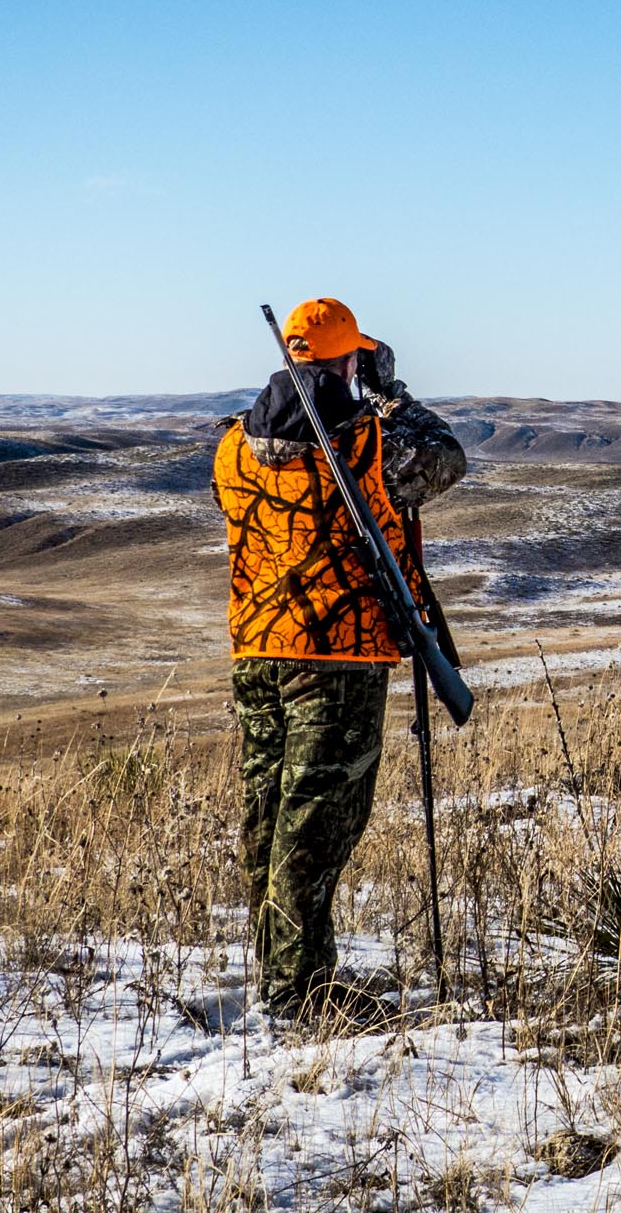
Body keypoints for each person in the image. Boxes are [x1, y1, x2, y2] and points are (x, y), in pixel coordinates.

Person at [210, 296, 466, 1022]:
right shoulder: (370, 445)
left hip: (257, 651)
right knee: (316, 825)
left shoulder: (232, 446)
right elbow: (447, 459)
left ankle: (279, 974)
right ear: (349, 361)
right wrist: (391, 394)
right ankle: (300, 994)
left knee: (268, 815)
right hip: (338, 655)